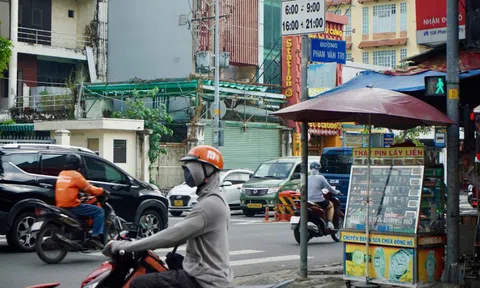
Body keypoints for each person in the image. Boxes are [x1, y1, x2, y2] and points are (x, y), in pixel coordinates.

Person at [107, 145, 233, 288]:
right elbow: (191, 235)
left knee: (138, 283)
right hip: (206, 273)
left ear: (206, 170)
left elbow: (172, 236)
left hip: (205, 281)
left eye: (190, 168)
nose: (187, 172)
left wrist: (127, 246)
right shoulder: (213, 199)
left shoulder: (210, 205)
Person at [55, 153, 105, 249]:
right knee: (99, 211)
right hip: (72, 205)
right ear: (77, 165)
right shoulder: (76, 175)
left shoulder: (62, 173)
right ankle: (95, 237)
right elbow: (90, 189)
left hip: (60, 205)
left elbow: (68, 188)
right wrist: (101, 190)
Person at [308, 162, 342, 229]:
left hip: (308, 200)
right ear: (318, 169)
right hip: (318, 200)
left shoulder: (307, 177)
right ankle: (329, 222)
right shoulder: (321, 177)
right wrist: (336, 192)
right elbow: (329, 188)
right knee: (331, 205)